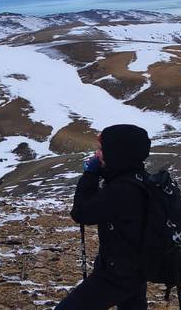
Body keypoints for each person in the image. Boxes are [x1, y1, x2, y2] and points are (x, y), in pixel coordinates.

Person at [55, 124, 151, 310]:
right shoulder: (139, 179)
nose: (97, 153)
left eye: (102, 149)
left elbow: (81, 213)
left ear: (117, 153)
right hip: (136, 269)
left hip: (117, 273)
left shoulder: (122, 190)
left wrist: (90, 175)